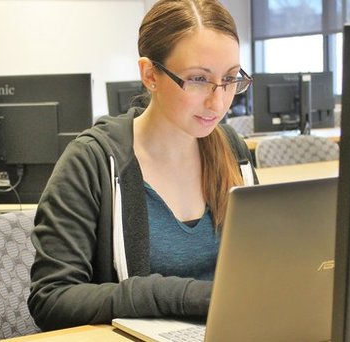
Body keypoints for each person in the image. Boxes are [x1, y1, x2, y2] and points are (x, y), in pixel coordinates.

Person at [28, 0, 256, 331]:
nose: (217, 101)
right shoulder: (92, 162)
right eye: (197, 79)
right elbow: (51, 299)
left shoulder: (232, 150)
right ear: (150, 74)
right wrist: (179, 296)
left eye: (231, 78)